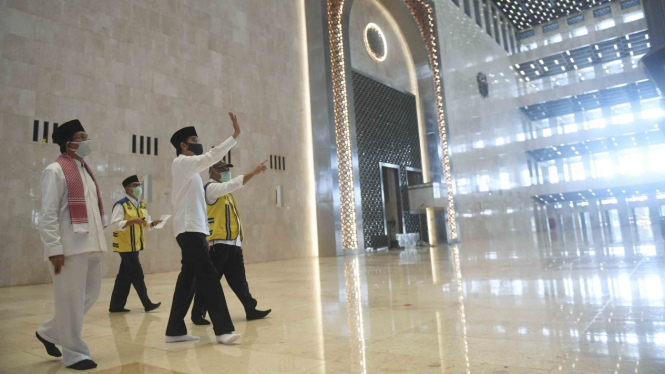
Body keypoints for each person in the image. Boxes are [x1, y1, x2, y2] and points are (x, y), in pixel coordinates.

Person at [165, 112, 243, 345]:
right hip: (189, 230)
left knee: (188, 278)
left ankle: (174, 330)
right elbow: (209, 157)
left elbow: (198, 206)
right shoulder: (181, 163)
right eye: (195, 140)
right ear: (183, 145)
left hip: (194, 230)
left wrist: (205, 235)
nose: (198, 144)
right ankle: (223, 330)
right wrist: (234, 136)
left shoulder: (192, 173)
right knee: (209, 277)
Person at [35, 119, 106, 371]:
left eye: (87, 135)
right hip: (69, 249)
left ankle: (49, 331)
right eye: (82, 136)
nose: (87, 141)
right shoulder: (55, 170)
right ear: (69, 144)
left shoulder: (85, 170)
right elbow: (48, 214)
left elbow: (94, 210)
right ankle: (75, 354)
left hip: (92, 245)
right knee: (70, 301)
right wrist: (54, 249)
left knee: (90, 295)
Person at [191, 160, 270, 326]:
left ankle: (250, 309)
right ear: (213, 172)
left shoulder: (226, 194)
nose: (227, 172)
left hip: (233, 244)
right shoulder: (211, 189)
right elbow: (234, 184)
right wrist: (254, 172)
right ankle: (197, 313)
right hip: (217, 244)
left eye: (228, 169)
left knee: (239, 280)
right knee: (210, 280)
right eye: (223, 169)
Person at [108, 175, 162, 313]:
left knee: (124, 277)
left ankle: (116, 306)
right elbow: (114, 224)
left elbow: (145, 224)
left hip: (135, 244)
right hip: (125, 245)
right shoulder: (121, 205)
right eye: (135, 185)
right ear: (127, 188)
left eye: (139, 185)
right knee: (137, 274)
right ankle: (147, 303)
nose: (138, 187)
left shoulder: (141, 205)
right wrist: (132, 221)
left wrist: (153, 223)